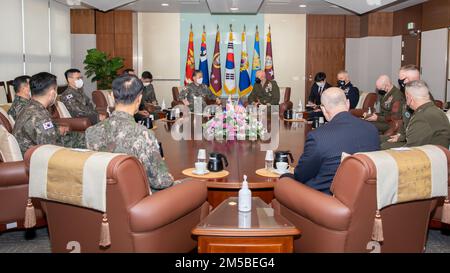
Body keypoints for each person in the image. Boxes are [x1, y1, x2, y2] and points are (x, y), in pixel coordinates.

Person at [85, 74, 176, 192]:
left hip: (104, 198)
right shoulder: (142, 134)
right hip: (140, 200)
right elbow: (160, 182)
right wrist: (168, 178)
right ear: (139, 99)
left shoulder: (90, 132)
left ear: (112, 96)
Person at [281, 87, 379, 195]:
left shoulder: (318, 136)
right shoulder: (372, 130)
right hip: (361, 197)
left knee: (284, 178)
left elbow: (301, 176)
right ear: (348, 103)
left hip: (324, 201)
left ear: (323, 109)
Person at [13, 72, 86, 156]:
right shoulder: (40, 116)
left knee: (87, 137)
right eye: (56, 90)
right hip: (38, 158)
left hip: (37, 150)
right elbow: (51, 150)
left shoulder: (30, 107)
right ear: (52, 93)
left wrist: (57, 130)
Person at [381, 80, 450, 149]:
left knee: (384, 146)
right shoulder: (435, 110)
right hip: (433, 151)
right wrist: (401, 138)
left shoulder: (422, 117)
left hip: (426, 155)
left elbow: (411, 148)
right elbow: (421, 135)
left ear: (409, 98)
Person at [381, 65, 428, 148]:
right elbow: (405, 120)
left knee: (383, 146)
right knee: (378, 139)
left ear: (407, 80)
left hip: (416, 142)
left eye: (401, 78)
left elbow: (419, 132)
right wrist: (399, 134)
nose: (399, 81)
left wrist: (401, 137)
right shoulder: (407, 94)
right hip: (405, 135)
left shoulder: (421, 97)